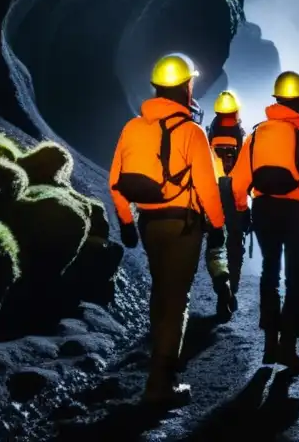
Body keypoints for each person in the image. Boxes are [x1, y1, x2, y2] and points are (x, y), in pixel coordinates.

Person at [109, 53, 226, 404]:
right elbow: (207, 187)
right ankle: (162, 384)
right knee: (177, 300)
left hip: (149, 223)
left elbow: (115, 181)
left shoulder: (133, 127)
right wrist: (218, 227)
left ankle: (158, 368)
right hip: (183, 225)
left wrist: (127, 224)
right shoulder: (191, 131)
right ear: (185, 87)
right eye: (191, 83)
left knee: (161, 292)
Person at [231, 70, 299, 373]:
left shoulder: (255, 134)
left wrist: (242, 210)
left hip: (263, 209)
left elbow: (239, 182)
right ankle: (288, 347)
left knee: (269, 272)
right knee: (296, 278)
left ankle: (269, 341)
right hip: (294, 212)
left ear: (277, 100)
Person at [203, 90, 246, 320]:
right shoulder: (241, 135)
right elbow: (246, 174)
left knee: (215, 246)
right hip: (235, 198)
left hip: (213, 196)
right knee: (235, 247)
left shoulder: (210, 134)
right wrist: (245, 207)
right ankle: (233, 291)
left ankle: (222, 285)